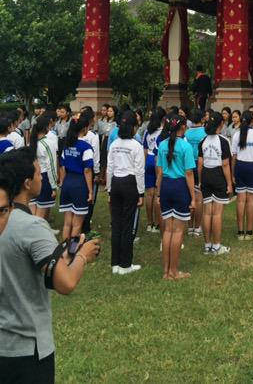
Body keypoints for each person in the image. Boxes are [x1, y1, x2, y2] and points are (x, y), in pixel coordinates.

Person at [0, 149, 100, 381]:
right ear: (27, 183)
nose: (42, 177)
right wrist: (83, 255)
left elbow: (34, 266)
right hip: (27, 350)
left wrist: (63, 256)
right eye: (38, 172)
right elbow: (65, 283)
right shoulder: (31, 226)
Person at [156, 116, 196, 280]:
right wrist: (193, 197)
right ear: (183, 127)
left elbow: (159, 171)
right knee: (178, 230)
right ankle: (174, 271)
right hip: (180, 187)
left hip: (166, 186)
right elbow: (189, 173)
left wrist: (159, 192)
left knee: (168, 230)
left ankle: (166, 271)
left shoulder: (162, 145)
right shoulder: (186, 147)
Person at [106, 112, 145, 275]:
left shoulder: (114, 144)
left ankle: (115, 263)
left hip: (115, 182)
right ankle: (125, 265)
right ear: (133, 127)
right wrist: (141, 193)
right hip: (130, 184)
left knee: (117, 223)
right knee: (127, 224)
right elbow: (139, 171)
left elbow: (109, 168)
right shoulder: (136, 146)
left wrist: (109, 189)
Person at [198, 115, 232, 256]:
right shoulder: (224, 141)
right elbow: (225, 164)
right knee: (217, 213)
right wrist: (229, 183)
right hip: (218, 176)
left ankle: (207, 245)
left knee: (207, 213)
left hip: (206, 174)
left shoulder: (202, 141)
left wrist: (200, 181)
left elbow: (200, 163)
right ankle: (217, 246)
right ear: (221, 124)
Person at [58, 118, 94, 241]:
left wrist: (63, 182)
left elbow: (62, 167)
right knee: (77, 224)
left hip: (67, 182)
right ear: (84, 128)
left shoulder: (67, 144)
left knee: (67, 223)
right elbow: (87, 170)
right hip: (79, 184)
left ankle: (63, 250)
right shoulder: (86, 147)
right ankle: (72, 252)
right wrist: (90, 191)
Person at [231, 111, 253, 240]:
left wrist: (233, 172)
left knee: (240, 200)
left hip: (240, 166)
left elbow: (233, 156)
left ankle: (240, 233)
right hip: (252, 168)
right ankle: (249, 232)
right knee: (250, 201)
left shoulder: (236, 135)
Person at [27, 115, 58, 220]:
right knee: (41, 214)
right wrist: (54, 186)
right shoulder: (48, 143)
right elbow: (51, 166)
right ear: (47, 126)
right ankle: (36, 235)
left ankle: (32, 233)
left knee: (33, 211)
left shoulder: (30, 143)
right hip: (44, 178)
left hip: (32, 177)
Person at [184, 107, 206, 238]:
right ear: (203, 119)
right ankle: (197, 227)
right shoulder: (205, 133)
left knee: (189, 196)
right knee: (198, 198)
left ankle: (189, 226)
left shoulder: (186, 133)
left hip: (188, 167)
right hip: (199, 166)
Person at [141, 108, 165, 234]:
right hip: (157, 161)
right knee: (157, 193)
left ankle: (149, 223)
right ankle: (157, 223)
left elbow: (144, 149)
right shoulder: (162, 132)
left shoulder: (147, 131)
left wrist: (144, 165)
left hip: (148, 160)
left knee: (149, 194)